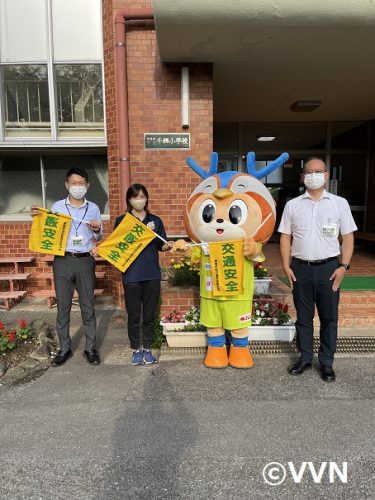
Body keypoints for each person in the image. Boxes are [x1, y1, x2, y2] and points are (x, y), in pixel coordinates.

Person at [278, 157, 357, 382]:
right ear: (303, 176)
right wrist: (286, 265)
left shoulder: (339, 203)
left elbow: (348, 237)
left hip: (329, 269)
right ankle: (304, 358)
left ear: (326, 175)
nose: (313, 175)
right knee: (303, 318)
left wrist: (344, 266)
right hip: (300, 269)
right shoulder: (293, 205)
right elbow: (285, 237)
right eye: (308, 172)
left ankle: (326, 363)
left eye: (318, 171)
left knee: (329, 318)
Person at [32, 167, 102, 366]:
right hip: (63, 260)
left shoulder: (94, 208)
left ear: (87, 185)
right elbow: (48, 230)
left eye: (81, 184)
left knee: (88, 306)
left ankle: (90, 348)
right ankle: (65, 348)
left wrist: (96, 231)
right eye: (74, 183)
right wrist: (37, 218)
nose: (77, 187)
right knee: (63, 306)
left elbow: (99, 237)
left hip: (85, 260)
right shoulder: (57, 207)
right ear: (66, 185)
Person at [114, 184, 172, 366]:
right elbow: (117, 246)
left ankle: (147, 349)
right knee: (134, 315)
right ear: (129, 199)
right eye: (135, 196)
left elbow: (160, 245)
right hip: (131, 275)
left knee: (148, 315)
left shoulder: (155, 220)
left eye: (142, 196)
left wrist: (167, 246)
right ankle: (135, 350)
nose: (139, 200)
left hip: (151, 274)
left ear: (147, 198)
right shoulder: (122, 220)